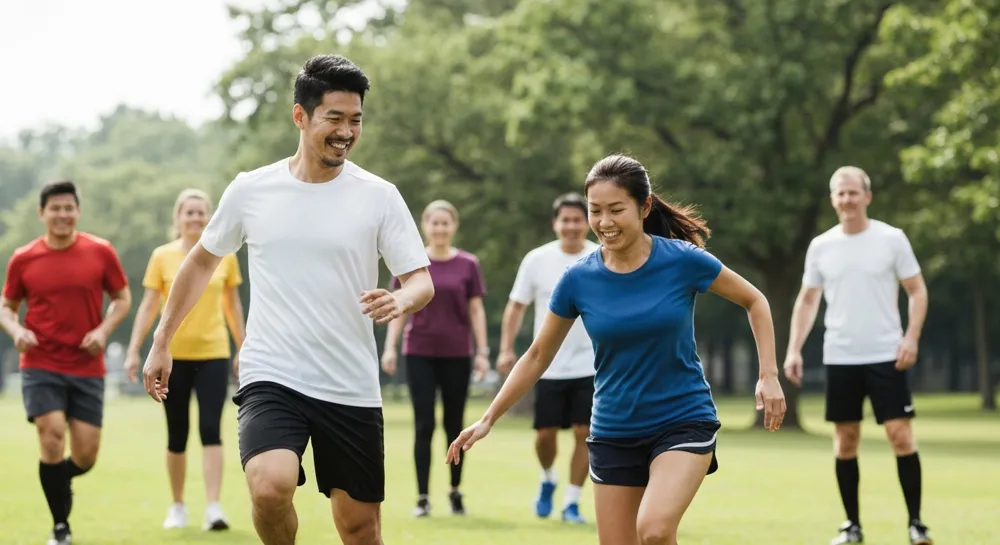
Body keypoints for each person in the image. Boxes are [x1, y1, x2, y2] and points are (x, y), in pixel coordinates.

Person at [140, 54, 434, 545]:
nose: (346, 132)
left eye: (356, 120)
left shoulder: (379, 195)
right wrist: (161, 340)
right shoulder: (251, 189)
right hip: (273, 373)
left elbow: (421, 281)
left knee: (359, 528)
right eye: (334, 118)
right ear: (300, 115)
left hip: (349, 382)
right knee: (269, 487)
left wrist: (402, 300)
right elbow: (200, 263)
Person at [447, 154, 786, 545]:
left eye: (616, 209)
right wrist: (488, 418)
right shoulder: (578, 279)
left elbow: (754, 300)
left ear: (644, 207)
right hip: (614, 429)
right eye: (595, 211)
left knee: (655, 530)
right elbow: (538, 354)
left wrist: (768, 374)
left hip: (682, 418)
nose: (604, 222)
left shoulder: (682, 260)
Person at [783, 166, 932, 545]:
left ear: (867, 196)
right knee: (846, 440)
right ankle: (852, 526)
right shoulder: (821, 246)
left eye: (853, 192)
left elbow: (917, 290)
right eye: (840, 193)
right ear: (833, 199)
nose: (847, 199)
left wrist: (911, 337)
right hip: (840, 356)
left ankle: (916, 525)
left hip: (887, 354)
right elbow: (808, 300)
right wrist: (794, 349)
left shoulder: (891, 239)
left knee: (900, 435)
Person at [0, 180, 132, 545]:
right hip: (39, 362)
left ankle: (58, 481)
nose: (62, 214)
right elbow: (6, 307)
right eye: (55, 208)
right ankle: (61, 528)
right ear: (41, 213)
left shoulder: (100, 251)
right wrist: (16, 330)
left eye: (68, 208)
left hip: (87, 365)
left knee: (86, 455)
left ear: (78, 211)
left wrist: (103, 331)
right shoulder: (23, 258)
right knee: (53, 435)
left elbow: (122, 298)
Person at [124, 188, 247, 532]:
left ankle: (214, 507)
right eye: (189, 212)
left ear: (210, 216)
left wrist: (244, 347)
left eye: (201, 212)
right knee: (177, 433)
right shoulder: (161, 256)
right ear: (177, 218)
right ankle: (177, 506)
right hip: (172, 359)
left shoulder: (225, 255)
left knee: (211, 430)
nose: (195, 218)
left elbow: (232, 305)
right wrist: (135, 349)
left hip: (214, 354)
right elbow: (149, 306)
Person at [380, 199, 489, 518]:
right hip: (420, 353)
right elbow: (399, 306)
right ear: (424, 226)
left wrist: (482, 352)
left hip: (457, 354)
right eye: (434, 223)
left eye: (445, 223)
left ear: (454, 226)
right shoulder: (412, 263)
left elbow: (476, 310)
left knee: (455, 424)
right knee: (424, 424)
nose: (440, 228)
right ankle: (423, 497)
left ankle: (455, 491)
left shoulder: (468, 264)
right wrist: (390, 347)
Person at [496, 192, 598, 524]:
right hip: (549, 366)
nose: (571, 226)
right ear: (555, 223)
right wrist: (506, 348)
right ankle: (548, 478)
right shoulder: (537, 260)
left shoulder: (601, 256)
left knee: (585, 433)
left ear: (587, 223)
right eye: (565, 220)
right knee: (545, 435)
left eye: (578, 220)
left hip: (591, 364)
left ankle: (572, 501)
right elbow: (516, 306)